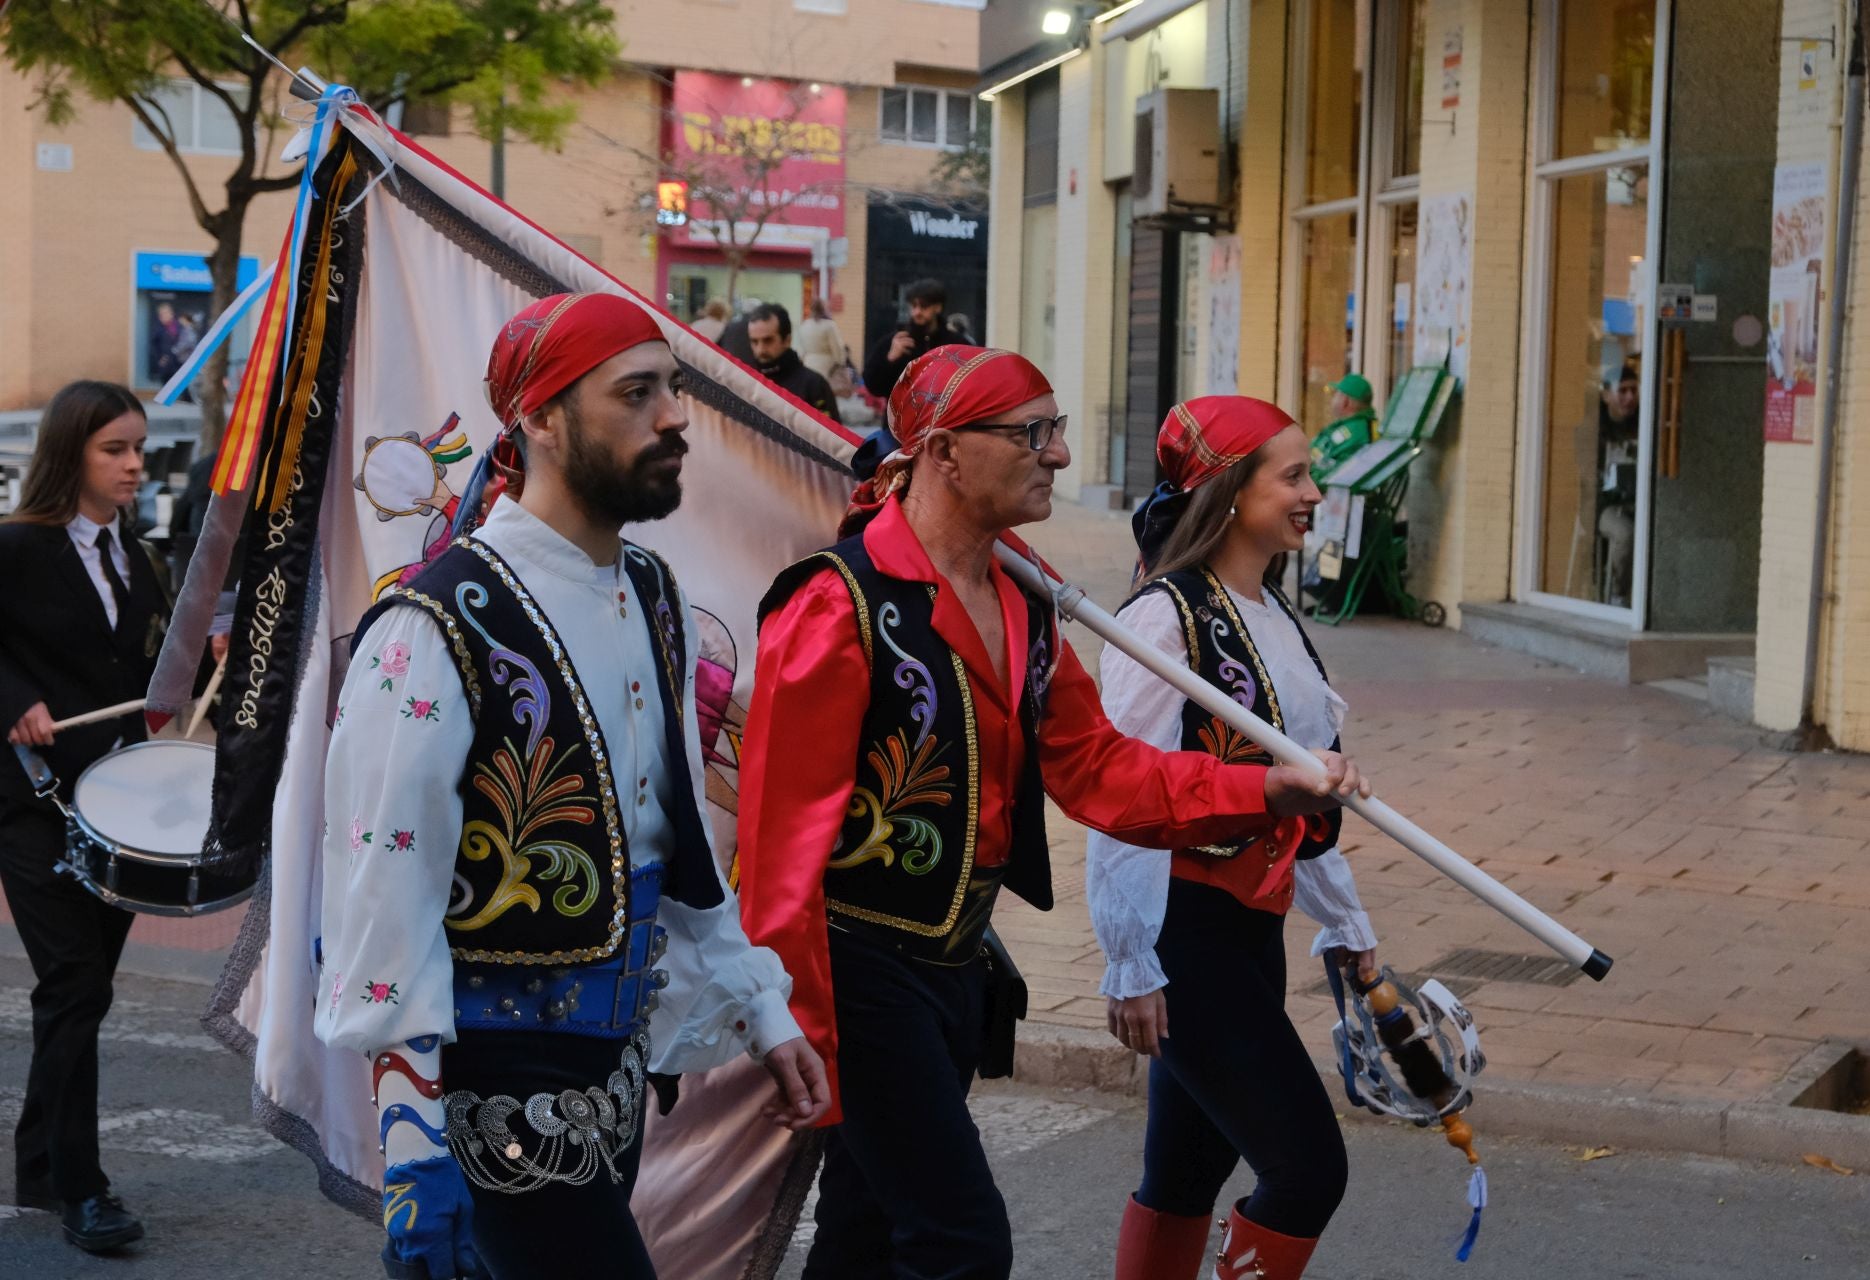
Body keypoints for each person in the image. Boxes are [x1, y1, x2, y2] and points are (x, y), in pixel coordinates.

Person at [736, 347, 1366, 1280]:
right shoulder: (839, 603)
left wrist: (1264, 790)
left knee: (864, 1237)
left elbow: (1103, 772)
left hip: (958, 966)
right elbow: (778, 841)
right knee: (960, 1243)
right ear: (945, 453)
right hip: (857, 970)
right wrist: (782, 1009)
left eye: (1056, 429)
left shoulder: (1025, 606)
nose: (1060, 455)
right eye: (1033, 434)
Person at [314, 293, 829, 1280]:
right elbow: (384, 890)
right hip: (491, 1091)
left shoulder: (654, 595)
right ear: (542, 419)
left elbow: (675, 848)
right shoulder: (435, 624)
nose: (674, 416)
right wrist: (414, 1143)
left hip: (614, 1077)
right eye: (636, 393)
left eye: (672, 388)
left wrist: (763, 1012)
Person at [1097, 397, 1380, 1280]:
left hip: (1254, 931)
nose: (1314, 493)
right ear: (1230, 492)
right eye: (1293, 476)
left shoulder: (1275, 616)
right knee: (1306, 1170)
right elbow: (1124, 796)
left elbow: (1306, 796)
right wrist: (1131, 959)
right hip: (1184, 932)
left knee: (1186, 1175)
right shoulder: (1163, 619)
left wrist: (1346, 924)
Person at [0, 381, 173, 1254]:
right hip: (30, 805)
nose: (135, 465)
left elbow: (137, 669)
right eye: (116, 450)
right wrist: (14, 700)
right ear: (72, 453)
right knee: (75, 985)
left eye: (139, 448)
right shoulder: (15, 547)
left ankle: (38, 1163)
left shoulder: (138, 556)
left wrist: (194, 657)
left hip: (117, 808)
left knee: (83, 991)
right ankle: (82, 1188)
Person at [859, 278, 965, 400]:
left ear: (938, 307)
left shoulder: (956, 344)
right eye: (914, 306)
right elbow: (873, 386)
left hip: (945, 411)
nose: (917, 312)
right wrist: (890, 359)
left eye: (924, 306)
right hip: (901, 412)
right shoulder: (895, 341)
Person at [748, 303, 842, 423]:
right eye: (754, 342)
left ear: (787, 340)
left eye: (768, 340)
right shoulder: (746, 381)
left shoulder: (814, 385)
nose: (760, 349)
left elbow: (830, 432)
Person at [1595, 358, 1639, 606]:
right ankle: (1617, 595)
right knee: (1625, 533)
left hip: (1639, 503)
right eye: (1622, 391)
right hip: (1605, 506)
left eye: (1633, 390)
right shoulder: (1593, 428)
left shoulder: (1645, 423)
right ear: (1606, 395)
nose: (1630, 397)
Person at [1306, 372, 1378, 486]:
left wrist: (1301, 477)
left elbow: (1334, 475)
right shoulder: (1353, 426)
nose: (1332, 400)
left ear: (1345, 402)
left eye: (1335, 395)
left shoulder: (1357, 432)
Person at [796, 298, 852, 393]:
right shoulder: (829, 325)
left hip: (808, 364)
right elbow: (837, 348)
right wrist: (841, 362)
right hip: (827, 367)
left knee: (811, 393)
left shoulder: (804, 325)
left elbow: (801, 350)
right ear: (824, 309)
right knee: (825, 394)